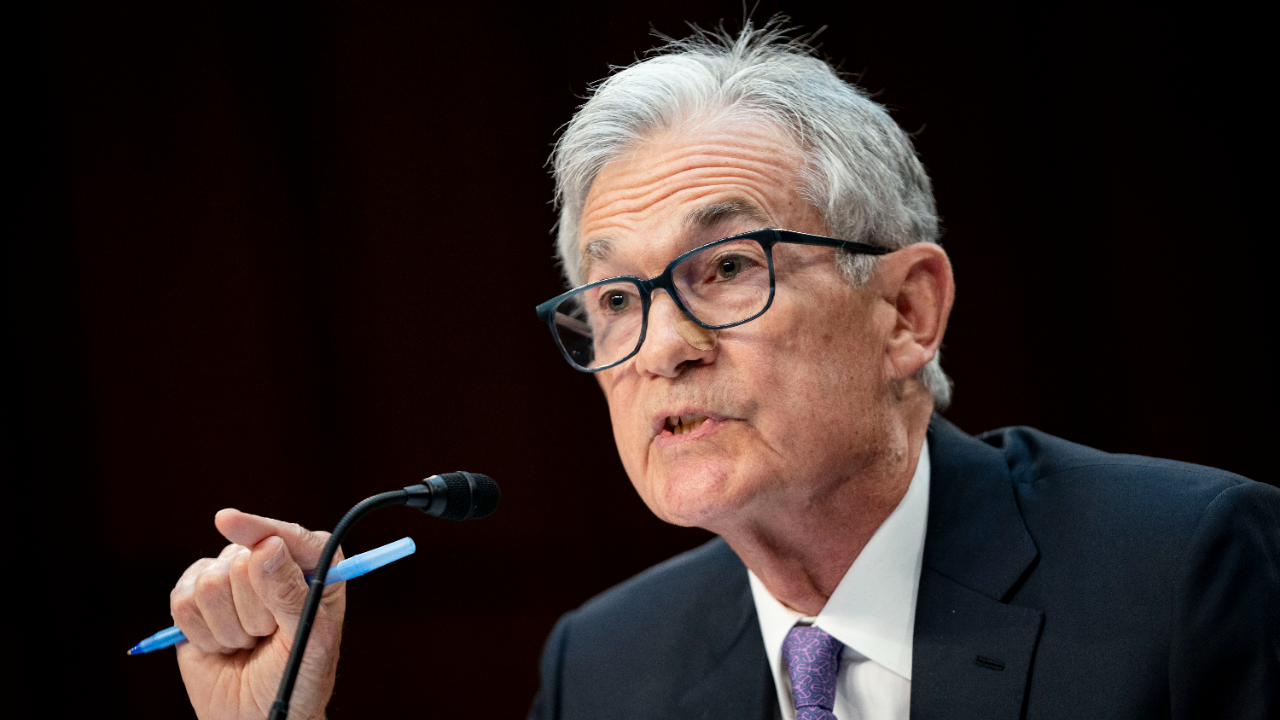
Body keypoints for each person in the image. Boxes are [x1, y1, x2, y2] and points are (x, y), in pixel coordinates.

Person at [168, 21, 1279, 720]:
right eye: (615, 299)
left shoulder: (1185, 570)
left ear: (906, 312)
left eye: (728, 267)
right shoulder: (609, 669)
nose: (662, 346)